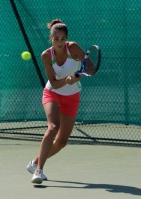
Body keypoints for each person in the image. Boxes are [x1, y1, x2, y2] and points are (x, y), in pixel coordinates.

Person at [26, 19, 93, 184]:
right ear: (51, 39)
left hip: (72, 96)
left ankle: (34, 163)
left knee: (62, 142)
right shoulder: (46, 55)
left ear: (67, 39)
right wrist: (66, 80)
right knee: (53, 127)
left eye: (63, 39)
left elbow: (90, 68)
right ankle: (38, 171)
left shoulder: (74, 48)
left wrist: (78, 76)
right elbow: (55, 82)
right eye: (56, 39)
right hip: (52, 93)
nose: (60, 42)